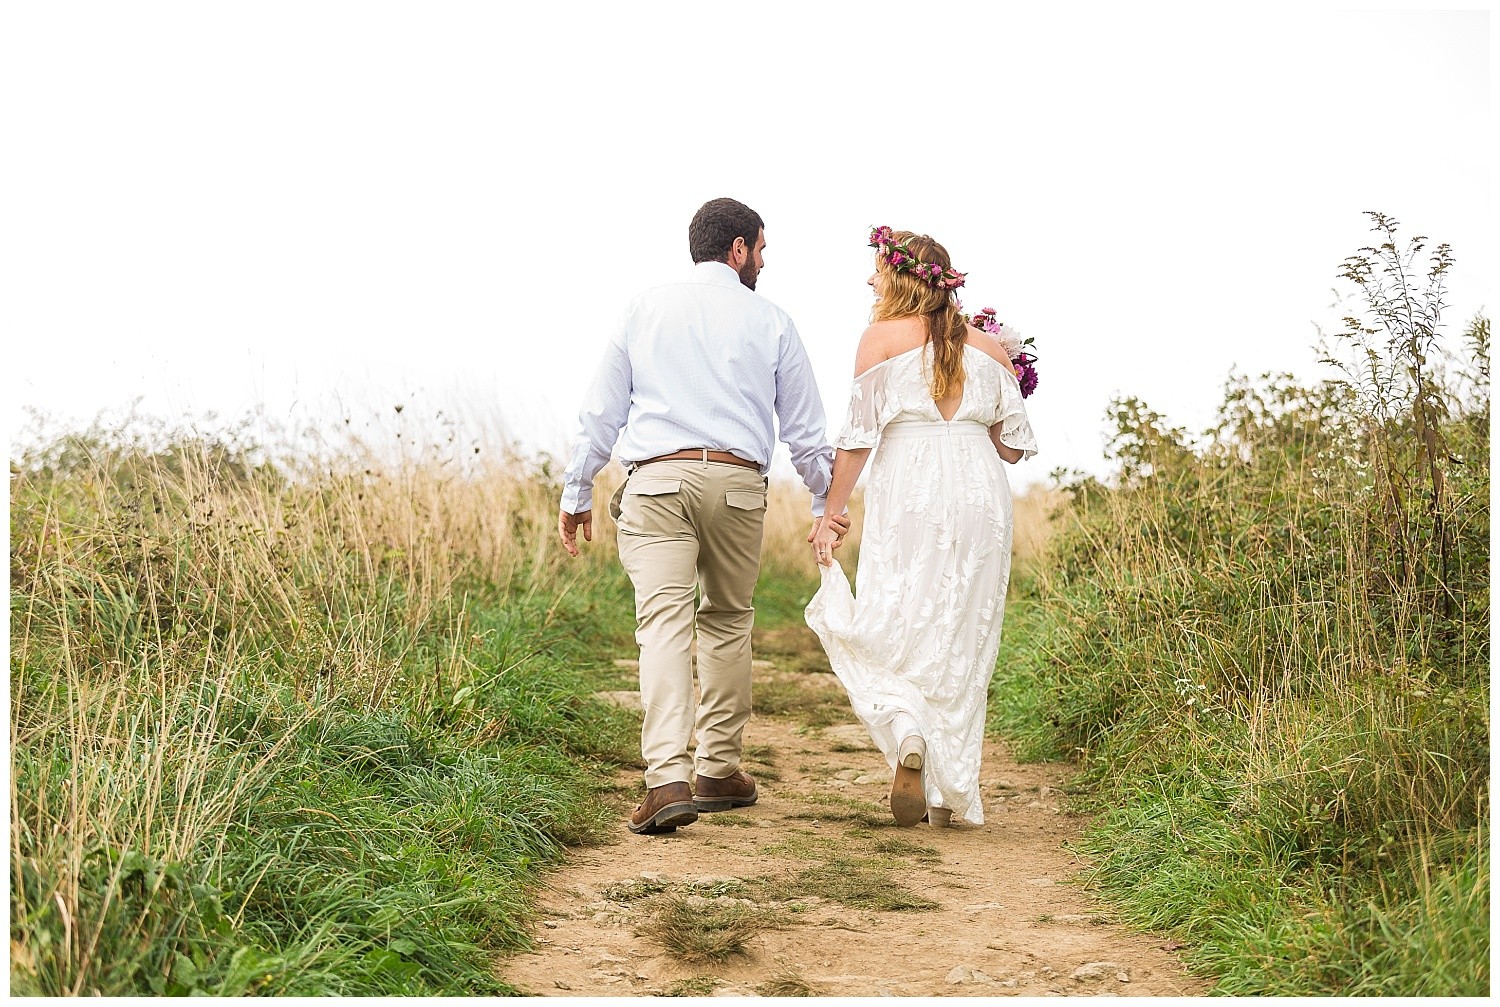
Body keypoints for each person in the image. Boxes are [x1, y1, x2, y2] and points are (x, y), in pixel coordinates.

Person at [558, 197, 850, 835]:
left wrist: (577, 489)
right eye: (762, 251)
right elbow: (805, 431)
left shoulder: (643, 308)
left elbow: (601, 411)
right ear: (738, 248)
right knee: (726, 619)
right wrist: (827, 503)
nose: (763, 264)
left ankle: (667, 778)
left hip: (657, 482)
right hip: (738, 483)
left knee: (663, 623)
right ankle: (719, 768)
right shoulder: (772, 320)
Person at [805, 227, 1037, 828]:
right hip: (978, 490)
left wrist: (832, 514)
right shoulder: (988, 349)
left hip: (908, 486)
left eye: (877, 270)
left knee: (896, 615)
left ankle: (908, 729)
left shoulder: (879, 339)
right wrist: (1012, 378)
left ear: (902, 277)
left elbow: (857, 438)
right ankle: (947, 792)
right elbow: (1011, 448)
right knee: (962, 634)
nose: (870, 280)